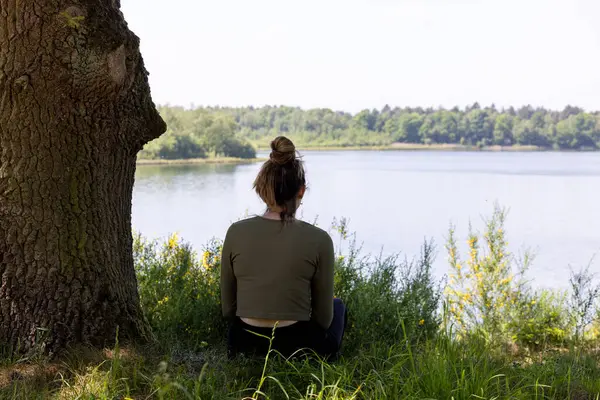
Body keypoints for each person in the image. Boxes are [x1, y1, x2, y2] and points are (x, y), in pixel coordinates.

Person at [220, 136, 348, 361]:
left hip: (243, 341)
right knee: (337, 306)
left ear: (261, 189)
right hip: (297, 345)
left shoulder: (235, 232)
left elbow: (228, 310)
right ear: (301, 191)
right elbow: (323, 320)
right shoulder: (319, 240)